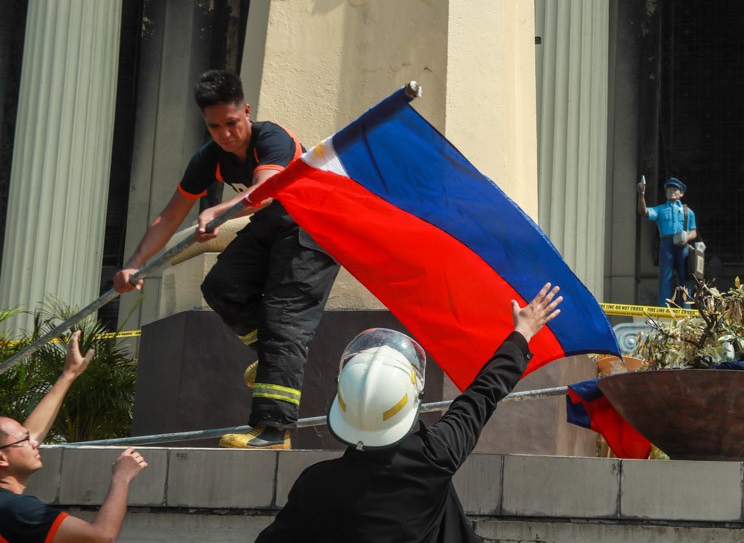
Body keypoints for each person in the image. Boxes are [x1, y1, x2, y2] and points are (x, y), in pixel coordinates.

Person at [113, 70, 340, 449]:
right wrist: (134, 263)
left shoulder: (274, 138)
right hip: (274, 226)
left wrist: (217, 212)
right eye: (215, 126)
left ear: (246, 111)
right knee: (222, 286)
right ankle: (268, 355)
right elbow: (169, 217)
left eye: (232, 123)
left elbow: (264, 191)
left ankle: (272, 431)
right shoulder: (209, 158)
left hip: (314, 229)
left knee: (283, 317)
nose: (226, 134)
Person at [255, 282, 563, 543]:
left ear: (342, 405)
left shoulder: (316, 486)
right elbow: (482, 394)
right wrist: (523, 331)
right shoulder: (434, 457)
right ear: (411, 400)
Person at [0, 332, 148, 542]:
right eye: (25, 441)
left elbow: (26, 434)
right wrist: (122, 478)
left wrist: (68, 375)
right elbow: (100, 537)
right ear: (2, 459)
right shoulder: (17, 509)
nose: (34, 443)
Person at [637, 176, 697, 306]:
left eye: (675, 189)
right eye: (669, 190)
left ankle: (686, 309)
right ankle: (663, 308)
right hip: (666, 244)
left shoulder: (688, 212)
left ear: (681, 193)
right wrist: (641, 195)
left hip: (683, 245)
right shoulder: (661, 209)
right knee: (665, 277)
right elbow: (644, 212)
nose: (671, 192)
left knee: (685, 277)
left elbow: (694, 231)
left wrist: (686, 238)